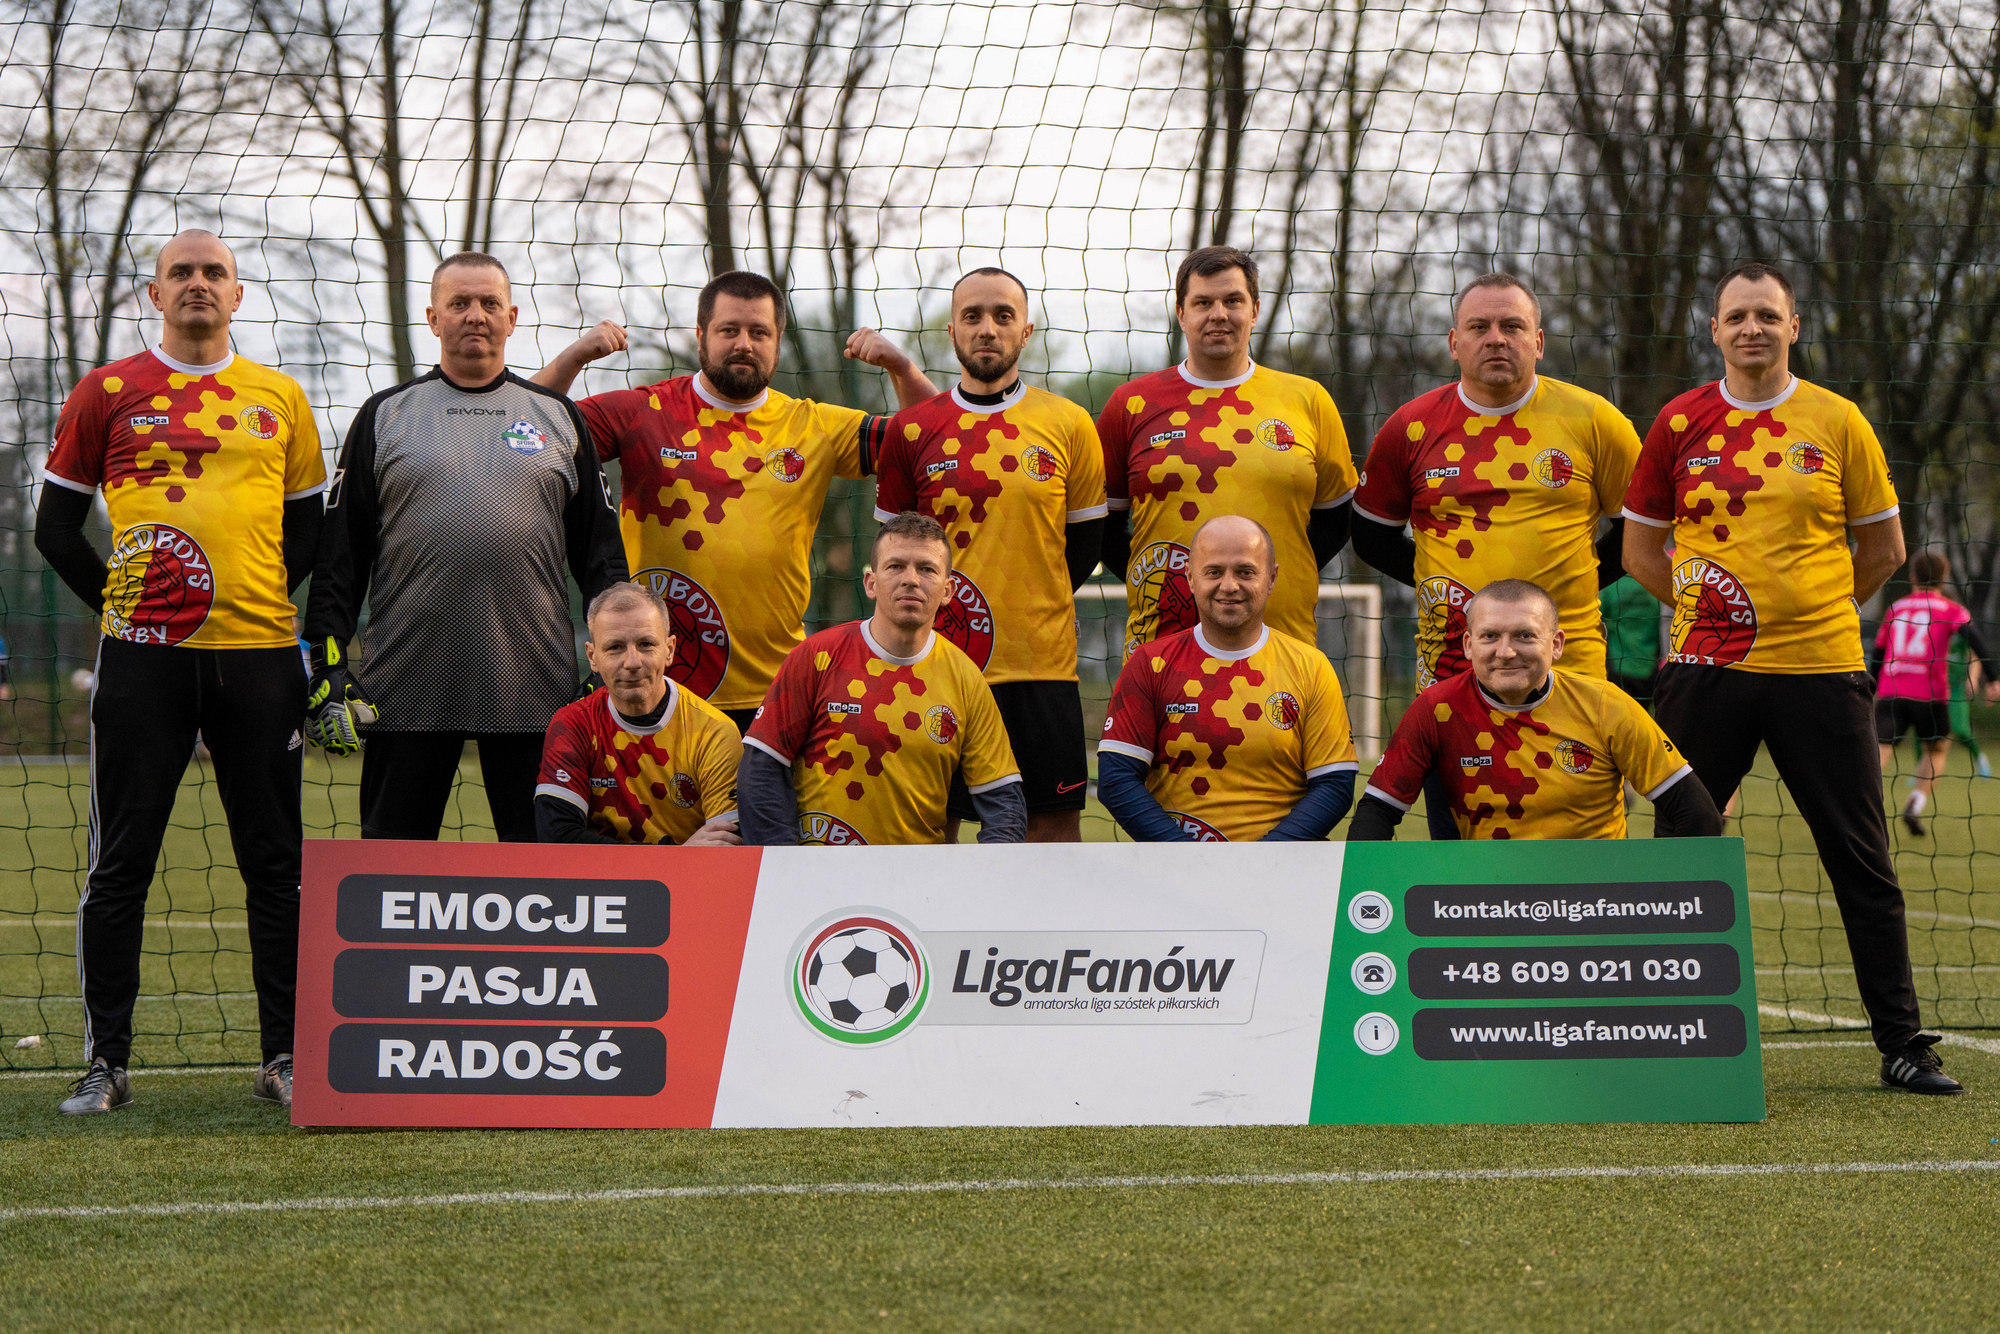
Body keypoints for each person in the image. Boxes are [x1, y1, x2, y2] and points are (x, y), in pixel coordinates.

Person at [1623, 260, 1961, 1095]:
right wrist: (1715, 616)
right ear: (1714, 330)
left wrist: (1814, 611)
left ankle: (1902, 1044)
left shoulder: (1838, 420)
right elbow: (1638, 551)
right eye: (1737, 316)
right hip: (1706, 674)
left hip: (1823, 670)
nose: (1752, 328)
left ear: (1794, 326)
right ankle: (1668, 1034)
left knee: (1861, 858)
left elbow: (1883, 549)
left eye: (1767, 315)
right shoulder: (1678, 422)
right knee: (1682, 851)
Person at [34, 229, 326, 1113]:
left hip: (262, 661)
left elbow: (309, 529)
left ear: (237, 295)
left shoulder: (281, 397)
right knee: (120, 863)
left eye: (215, 272)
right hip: (143, 665)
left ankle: (285, 1058)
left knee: (276, 866)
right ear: (155, 295)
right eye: (182, 272)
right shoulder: (107, 391)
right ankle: (106, 1065)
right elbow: (54, 529)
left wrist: (256, 600)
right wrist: (129, 604)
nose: (199, 283)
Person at [304, 251, 626, 843]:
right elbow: (338, 561)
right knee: (391, 869)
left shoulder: (558, 417)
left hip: (535, 690)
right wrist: (329, 661)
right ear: (433, 318)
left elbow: (603, 562)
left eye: (488, 303)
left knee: (542, 870)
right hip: (405, 688)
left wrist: (611, 657)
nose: (475, 315)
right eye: (458, 303)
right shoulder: (383, 415)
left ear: (512, 318)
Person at [533, 272, 937, 732]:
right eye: (729, 330)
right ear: (701, 335)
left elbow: (937, 440)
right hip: (655, 688)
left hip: (775, 694)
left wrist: (902, 369)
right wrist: (574, 357)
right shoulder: (642, 413)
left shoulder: (814, 426)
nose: (744, 344)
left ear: (777, 341)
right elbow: (521, 431)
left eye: (759, 332)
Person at [1351, 273, 1643, 838]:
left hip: (1572, 673)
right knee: (1463, 858)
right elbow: (1371, 539)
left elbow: (1640, 534)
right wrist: (1452, 592)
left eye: (1512, 326)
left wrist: (1568, 588)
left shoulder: (1594, 420)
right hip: (1453, 675)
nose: (1496, 339)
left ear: (1538, 341)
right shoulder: (1409, 428)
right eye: (1479, 327)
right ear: (1454, 342)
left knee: (1584, 857)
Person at [873, 267, 1107, 843]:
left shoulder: (1069, 424)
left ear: (1025, 332)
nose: (987, 329)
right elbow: (894, 553)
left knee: (1052, 839)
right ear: (952, 331)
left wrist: (1032, 600)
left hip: (1041, 669)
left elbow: (1084, 546)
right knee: (929, 833)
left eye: (1003, 316)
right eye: (972, 316)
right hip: (937, 667)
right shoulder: (910, 431)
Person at [1098, 246, 1356, 660]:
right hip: (1163, 650)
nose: (1218, 314)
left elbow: (1337, 520)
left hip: (1283, 649)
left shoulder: (1308, 400)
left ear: (1254, 311)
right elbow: (1102, 529)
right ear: (1181, 314)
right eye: (1203, 303)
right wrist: (1164, 580)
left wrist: (1270, 575)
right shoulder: (1130, 404)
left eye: (1233, 300)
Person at [1350, 580, 1721, 841]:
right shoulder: (1435, 709)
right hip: (1487, 902)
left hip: (1595, 903)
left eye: (1525, 635)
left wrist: (1660, 903)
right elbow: (1377, 812)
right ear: (1467, 645)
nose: (1506, 651)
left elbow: (1695, 813)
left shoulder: (1605, 704)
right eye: (1490, 636)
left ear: (1556, 644)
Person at [738, 512, 1025, 845]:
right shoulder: (816, 656)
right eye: (895, 566)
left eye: (927, 569)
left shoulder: (966, 679)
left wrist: (990, 872)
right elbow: (762, 769)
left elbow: (1003, 802)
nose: (911, 580)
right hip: (822, 872)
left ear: (948, 590)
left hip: (917, 875)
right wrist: (786, 864)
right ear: (870, 583)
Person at [1099, 515, 1359, 841]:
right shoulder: (1149, 664)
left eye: (1245, 572)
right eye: (1214, 572)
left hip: (1280, 866)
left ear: (1271, 578)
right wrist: (1185, 857)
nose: (1229, 585)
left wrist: (1266, 858)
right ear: (1190, 578)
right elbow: (1116, 779)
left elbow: (1334, 784)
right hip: (1176, 865)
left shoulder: (1311, 667)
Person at [535, 582, 741, 845]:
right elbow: (557, 839)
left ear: (669, 650)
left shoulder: (714, 732)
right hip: (631, 874)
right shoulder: (573, 724)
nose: (632, 662)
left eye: (645, 644)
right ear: (592, 656)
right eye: (615, 647)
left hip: (677, 877)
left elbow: (727, 846)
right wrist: (676, 856)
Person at [1872, 550, 2000, 836]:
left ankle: (1860, 806)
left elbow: (1878, 654)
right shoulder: (1950, 609)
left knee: (1879, 750)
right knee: (1937, 749)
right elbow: (1975, 639)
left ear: (1912, 577)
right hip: (1930, 695)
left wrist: (1871, 687)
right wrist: (1993, 679)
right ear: (1944, 577)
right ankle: (1915, 803)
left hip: (1892, 691)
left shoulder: (1896, 608)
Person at [1601, 574, 1664, 706]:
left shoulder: (1612, 584)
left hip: (1618, 666)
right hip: (1649, 666)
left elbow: (1598, 617)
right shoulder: (1653, 581)